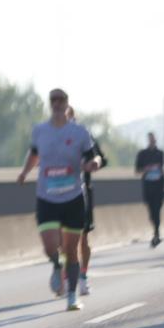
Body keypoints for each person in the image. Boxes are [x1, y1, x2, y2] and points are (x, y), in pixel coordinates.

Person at [17, 89, 102, 311]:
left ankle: (72, 295)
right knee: (50, 245)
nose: (56, 103)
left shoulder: (80, 132)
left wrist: (94, 163)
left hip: (73, 197)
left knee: (71, 249)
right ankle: (56, 265)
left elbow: (93, 155)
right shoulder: (40, 131)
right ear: (50, 104)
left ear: (67, 104)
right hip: (47, 197)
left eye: (60, 99)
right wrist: (25, 172)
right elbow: (34, 154)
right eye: (52, 100)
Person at [64, 106, 107, 296]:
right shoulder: (52, 137)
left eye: (69, 116)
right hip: (59, 194)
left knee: (82, 237)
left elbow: (100, 157)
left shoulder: (84, 135)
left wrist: (95, 162)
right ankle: (67, 276)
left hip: (82, 193)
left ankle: (82, 276)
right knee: (64, 240)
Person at [135, 132, 164, 247]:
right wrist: (145, 170)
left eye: (153, 139)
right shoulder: (142, 154)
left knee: (157, 210)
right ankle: (156, 231)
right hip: (147, 186)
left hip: (159, 186)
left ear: (156, 140)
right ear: (148, 140)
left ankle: (156, 233)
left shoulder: (161, 154)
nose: (152, 141)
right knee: (152, 212)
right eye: (150, 139)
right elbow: (137, 170)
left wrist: (162, 169)